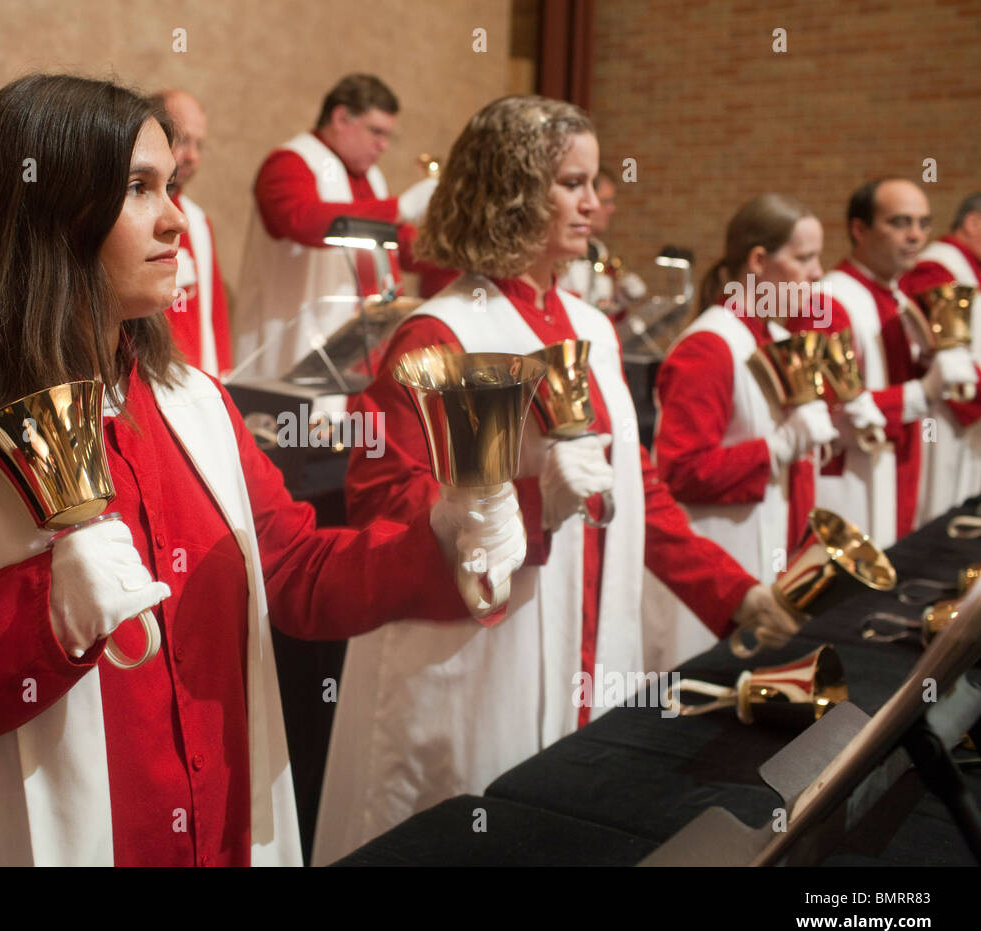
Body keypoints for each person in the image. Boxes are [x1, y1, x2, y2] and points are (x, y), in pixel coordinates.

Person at [0, 74, 524, 868]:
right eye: (140, 188)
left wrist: (442, 537)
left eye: (171, 185)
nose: (177, 218)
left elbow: (296, 572)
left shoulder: (194, 402)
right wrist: (43, 618)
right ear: (48, 215)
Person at [312, 96, 798, 865]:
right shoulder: (443, 331)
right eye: (571, 183)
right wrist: (533, 505)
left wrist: (731, 592)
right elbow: (383, 508)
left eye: (595, 182)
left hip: (590, 646)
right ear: (511, 188)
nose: (594, 202)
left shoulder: (590, 326)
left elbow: (635, 490)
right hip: (474, 662)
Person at [647, 195, 841, 668]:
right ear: (759, 261)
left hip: (765, 551)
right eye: (804, 257)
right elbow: (678, 473)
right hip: (719, 567)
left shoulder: (769, 336)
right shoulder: (710, 346)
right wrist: (781, 445)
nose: (818, 272)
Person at [231, 73, 438, 379]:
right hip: (292, 344)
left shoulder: (371, 177)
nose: (383, 145)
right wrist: (401, 207)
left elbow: (402, 249)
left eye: (387, 136)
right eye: (376, 131)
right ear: (341, 118)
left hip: (354, 351)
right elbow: (302, 220)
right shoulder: (289, 162)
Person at [818, 179, 976, 546]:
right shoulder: (830, 300)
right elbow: (832, 413)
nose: (915, 236)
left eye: (923, 224)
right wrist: (923, 390)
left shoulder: (901, 298)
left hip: (901, 475)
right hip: (854, 486)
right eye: (900, 223)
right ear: (860, 229)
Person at [900, 192, 981, 522]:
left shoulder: (969, 268)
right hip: (944, 417)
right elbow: (940, 355)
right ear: (974, 223)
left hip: (968, 415)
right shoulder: (938, 267)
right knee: (943, 518)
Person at [155, 89, 231, 377]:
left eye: (200, 145)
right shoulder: (128, 213)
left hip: (196, 377)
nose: (192, 157)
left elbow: (215, 314)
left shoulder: (197, 219)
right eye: (183, 141)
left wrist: (222, 375)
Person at [558, 167, 647, 319]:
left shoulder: (597, 249)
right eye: (606, 201)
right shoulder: (561, 248)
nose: (612, 208)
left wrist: (618, 299)